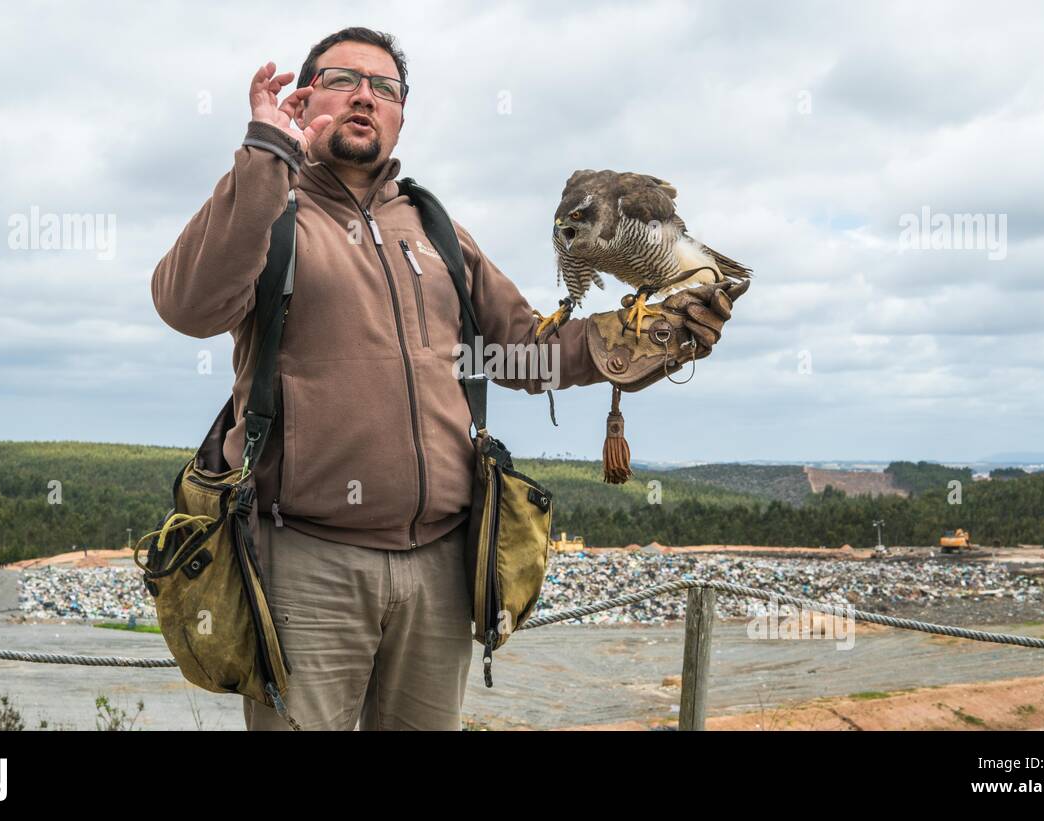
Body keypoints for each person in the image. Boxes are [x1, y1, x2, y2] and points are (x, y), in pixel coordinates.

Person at [151, 27, 739, 730]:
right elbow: (187, 304)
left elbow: (523, 350)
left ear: (402, 114)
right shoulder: (270, 211)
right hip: (306, 565)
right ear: (304, 99)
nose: (366, 96)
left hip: (439, 566)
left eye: (386, 87)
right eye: (343, 80)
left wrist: (655, 337)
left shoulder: (435, 228)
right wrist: (264, 155)